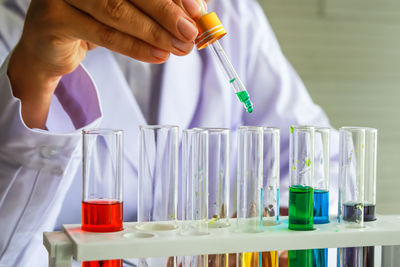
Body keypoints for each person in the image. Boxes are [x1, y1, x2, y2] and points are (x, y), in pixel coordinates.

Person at [0, 0, 339, 266]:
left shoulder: (238, 18)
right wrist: (36, 75)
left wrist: (261, 234)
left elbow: (322, 160)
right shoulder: (14, 25)